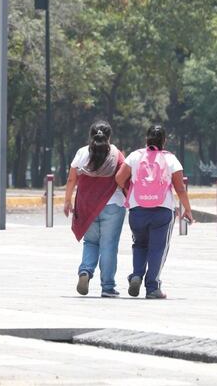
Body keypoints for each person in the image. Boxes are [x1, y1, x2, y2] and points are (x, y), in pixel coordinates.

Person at [115, 123, 193, 299]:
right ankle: (152, 287)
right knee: (158, 248)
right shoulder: (171, 159)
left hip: (137, 209)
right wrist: (187, 209)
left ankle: (136, 275)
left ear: (146, 139)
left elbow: (119, 178)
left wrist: (129, 192)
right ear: (164, 141)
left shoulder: (135, 156)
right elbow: (180, 188)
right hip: (162, 210)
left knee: (139, 244)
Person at [63, 120, 127, 298]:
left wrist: (67, 200)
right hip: (113, 206)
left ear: (91, 135)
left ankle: (85, 271)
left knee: (90, 242)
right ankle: (107, 287)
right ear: (110, 136)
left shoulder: (82, 153)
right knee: (109, 246)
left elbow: (71, 179)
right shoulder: (116, 154)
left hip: (86, 206)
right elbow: (123, 178)